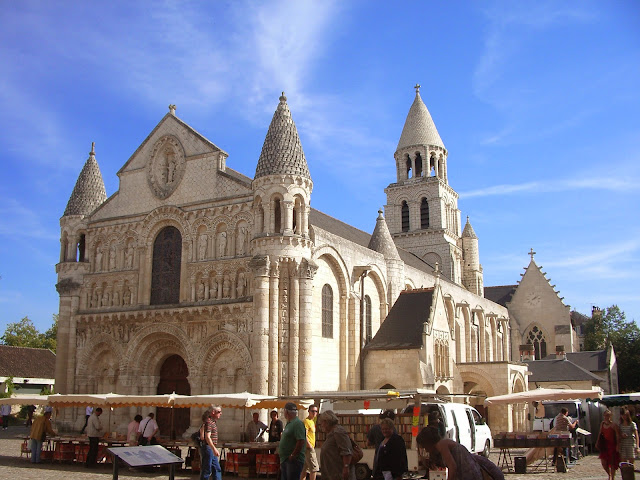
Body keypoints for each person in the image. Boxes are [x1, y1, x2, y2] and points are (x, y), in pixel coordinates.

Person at [416, 425, 504, 480]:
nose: (426, 450)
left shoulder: (442, 444)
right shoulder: (441, 446)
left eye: (425, 446)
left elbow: (452, 466)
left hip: (471, 473)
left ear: (428, 442)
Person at [317, 410, 355, 480]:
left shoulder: (338, 432)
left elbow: (346, 451)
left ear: (327, 422)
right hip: (332, 474)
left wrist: (346, 467)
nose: (321, 425)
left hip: (338, 474)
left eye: (322, 422)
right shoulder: (331, 433)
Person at [279, 402, 306, 480]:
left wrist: (293, 455)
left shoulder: (297, 423)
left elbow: (301, 440)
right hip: (285, 459)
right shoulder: (289, 423)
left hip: (292, 460)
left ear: (286, 412)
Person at [200, 406, 223, 480]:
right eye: (219, 412)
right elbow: (207, 437)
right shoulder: (209, 422)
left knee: (216, 468)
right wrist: (214, 449)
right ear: (213, 412)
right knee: (207, 469)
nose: (221, 414)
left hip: (211, 448)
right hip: (208, 448)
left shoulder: (213, 422)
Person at [598, 409, 621, 480]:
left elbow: (617, 436)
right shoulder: (602, 424)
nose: (606, 417)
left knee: (612, 462)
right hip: (605, 445)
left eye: (608, 415)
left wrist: (618, 445)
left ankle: (612, 477)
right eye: (605, 415)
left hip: (612, 445)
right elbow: (600, 433)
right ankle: (609, 474)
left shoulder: (614, 425)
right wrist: (597, 442)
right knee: (604, 462)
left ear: (611, 416)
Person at [300, 405, 319, 480]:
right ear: (309, 411)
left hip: (308, 448)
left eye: (316, 411)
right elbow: (304, 435)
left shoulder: (312, 421)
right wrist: (309, 446)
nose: (314, 413)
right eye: (312, 411)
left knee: (304, 469)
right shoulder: (306, 421)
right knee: (314, 469)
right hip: (308, 448)